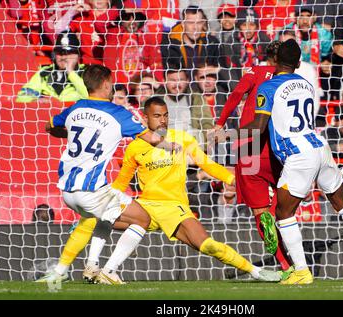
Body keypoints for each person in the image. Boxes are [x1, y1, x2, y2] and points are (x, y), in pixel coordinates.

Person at [48, 97, 282, 284]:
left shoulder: (183, 139)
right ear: (146, 117)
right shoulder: (135, 148)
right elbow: (120, 184)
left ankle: (255, 271)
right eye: (157, 116)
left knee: (207, 245)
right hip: (146, 206)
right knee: (93, 219)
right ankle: (80, 269)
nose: (162, 120)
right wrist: (94, 208)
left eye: (165, 115)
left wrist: (233, 178)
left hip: (175, 209)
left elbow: (207, 164)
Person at [245, 39, 343, 284]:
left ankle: (302, 271)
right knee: (341, 201)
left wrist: (237, 130)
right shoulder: (305, 84)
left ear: (273, 62)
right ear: (297, 63)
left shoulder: (268, 87)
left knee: (284, 212)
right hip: (320, 146)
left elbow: (259, 126)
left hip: (297, 154)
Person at [35, 64, 179, 283]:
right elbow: (153, 139)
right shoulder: (117, 113)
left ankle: (85, 267)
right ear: (105, 85)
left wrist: (70, 133)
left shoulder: (76, 108)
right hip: (91, 191)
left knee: (105, 215)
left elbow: (48, 126)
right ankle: (109, 271)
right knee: (142, 219)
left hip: (67, 192)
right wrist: (173, 146)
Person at [212, 40, 293, 277]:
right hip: (276, 143)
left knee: (258, 210)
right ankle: (274, 212)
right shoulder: (288, 81)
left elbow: (236, 94)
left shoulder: (255, 72)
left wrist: (219, 124)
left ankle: (284, 265)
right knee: (285, 192)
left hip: (249, 143)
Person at [16, 32, 87, 103]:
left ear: (78, 55)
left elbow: (88, 96)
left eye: (69, 53)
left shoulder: (87, 72)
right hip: (48, 112)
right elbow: (23, 95)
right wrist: (35, 100)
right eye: (60, 53)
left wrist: (71, 73)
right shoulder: (44, 73)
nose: (64, 57)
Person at [161, 6, 220, 72]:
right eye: (190, 23)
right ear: (183, 24)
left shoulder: (212, 43)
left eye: (199, 23)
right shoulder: (169, 46)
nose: (195, 27)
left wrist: (215, 70)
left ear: (203, 23)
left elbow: (224, 72)